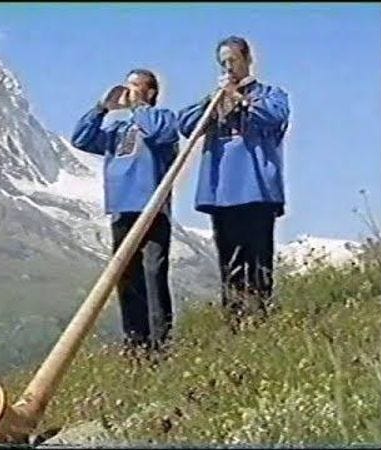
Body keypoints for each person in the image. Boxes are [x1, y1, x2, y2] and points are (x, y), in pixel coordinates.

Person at [178, 36, 290, 322]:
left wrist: (239, 99)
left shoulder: (270, 94)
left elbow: (275, 117)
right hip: (220, 192)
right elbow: (186, 125)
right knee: (229, 262)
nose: (228, 67)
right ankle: (235, 322)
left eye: (233, 60)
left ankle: (261, 319)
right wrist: (213, 101)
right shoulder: (215, 99)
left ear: (248, 59)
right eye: (223, 62)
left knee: (259, 259)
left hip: (257, 189)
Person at [71, 69, 179, 352]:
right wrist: (101, 109)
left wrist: (140, 106)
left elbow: (160, 134)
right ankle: (135, 345)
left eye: (134, 85)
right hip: (121, 209)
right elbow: (81, 139)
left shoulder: (162, 118)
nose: (128, 90)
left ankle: (160, 345)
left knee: (153, 275)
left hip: (152, 208)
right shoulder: (117, 130)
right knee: (126, 278)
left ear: (150, 91)